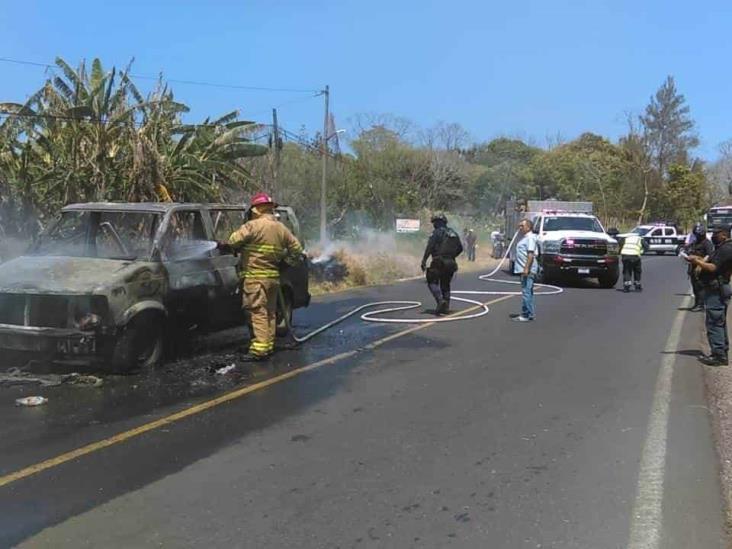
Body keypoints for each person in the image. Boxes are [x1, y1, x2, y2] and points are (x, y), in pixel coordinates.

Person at [222, 192, 303, 361]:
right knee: (269, 313)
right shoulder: (281, 228)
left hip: (255, 279)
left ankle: (259, 350)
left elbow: (233, 241)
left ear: (256, 210)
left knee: (257, 312)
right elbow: (297, 249)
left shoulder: (252, 226)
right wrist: (286, 263)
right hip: (273, 279)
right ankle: (267, 344)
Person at [686, 224, 732, 366]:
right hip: (716, 288)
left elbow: (713, 268)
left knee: (714, 322)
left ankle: (719, 355)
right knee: (719, 321)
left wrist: (696, 261)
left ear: (724, 234)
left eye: (716, 233)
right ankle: (721, 350)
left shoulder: (726, 249)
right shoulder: (721, 247)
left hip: (717, 289)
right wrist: (698, 259)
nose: (713, 236)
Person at [421, 214, 463, 315]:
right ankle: (446, 307)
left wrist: (424, 260)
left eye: (435, 222)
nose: (434, 224)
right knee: (445, 284)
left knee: (431, 280)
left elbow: (430, 247)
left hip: (439, 261)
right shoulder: (454, 233)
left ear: (439, 222)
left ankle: (440, 301)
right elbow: (460, 248)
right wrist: (451, 256)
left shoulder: (436, 233)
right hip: (451, 263)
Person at [511, 218, 538, 322]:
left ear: (528, 227)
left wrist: (526, 268)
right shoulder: (525, 237)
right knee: (528, 292)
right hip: (523, 268)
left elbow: (530, 254)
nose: (520, 228)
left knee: (526, 292)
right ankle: (529, 313)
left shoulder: (530, 238)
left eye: (522, 226)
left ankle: (525, 314)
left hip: (527, 269)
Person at [686, 222, 714, 311]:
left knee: (700, 286)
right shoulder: (695, 242)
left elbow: (709, 255)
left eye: (699, 234)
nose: (697, 236)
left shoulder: (707, 243)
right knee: (694, 286)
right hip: (693, 267)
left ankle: (701, 305)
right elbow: (689, 249)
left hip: (701, 268)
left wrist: (700, 262)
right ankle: (697, 303)